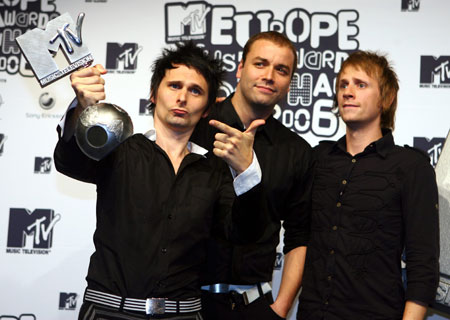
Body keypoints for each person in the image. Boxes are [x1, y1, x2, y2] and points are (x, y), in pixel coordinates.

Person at [54, 42, 266, 320]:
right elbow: (69, 162)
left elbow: (243, 234)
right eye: (174, 86)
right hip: (109, 311)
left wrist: (246, 170)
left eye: (195, 90)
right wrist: (81, 109)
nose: (182, 98)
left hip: (183, 314)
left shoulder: (215, 170)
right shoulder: (120, 149)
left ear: (206, 109)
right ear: (154, 94)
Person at [297, 51, 440, 320]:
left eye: (361, 84)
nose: (348, 92)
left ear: (385, 99)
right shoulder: (317, 159)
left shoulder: (411, 167)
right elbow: (295, 233)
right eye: (343, 84)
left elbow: (423, 264)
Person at [191, 31, 313, 320]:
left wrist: (280, 309)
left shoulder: (296, 152)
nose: (269, 75)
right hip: (186, 305)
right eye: (260, 64)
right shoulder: (195, 126)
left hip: (255, 307)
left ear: (288, 83)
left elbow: (299, 237)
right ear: (240, 69)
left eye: (281, 70)